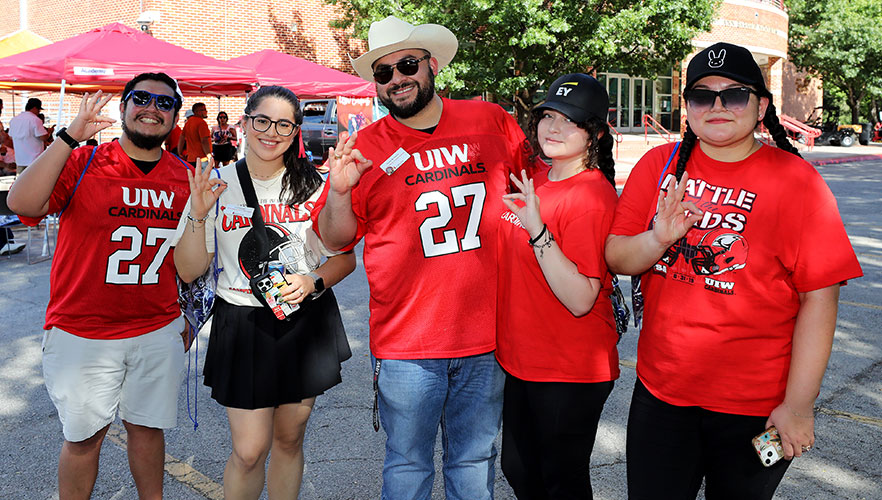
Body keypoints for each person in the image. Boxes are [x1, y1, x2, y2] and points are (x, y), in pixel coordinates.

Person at [604, 42, 863, 499]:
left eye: (735, 94)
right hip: (661, 397)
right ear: (688, 107)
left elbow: (819, 298)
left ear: (761, 106)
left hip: (756, 406)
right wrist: (658, 237)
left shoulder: (796, 181)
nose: (718, 105)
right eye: (702, 95)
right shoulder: (657, 167)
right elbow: (618, 258)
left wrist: (799, 407)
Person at [315, 15, 538, 500]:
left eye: (407, 65)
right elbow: (335, 241)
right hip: (407, 343)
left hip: (486, 335)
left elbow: (536, 197)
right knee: (408, 466)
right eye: (383, 72)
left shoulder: (491, 121)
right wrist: (339, 192)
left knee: (475, 462)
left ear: (431, 64)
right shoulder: (364, 148)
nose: (397, 79)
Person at [7, 72, 189, 500]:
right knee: (84, 439)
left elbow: (192, 260)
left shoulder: (184, 176)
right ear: (124, 107)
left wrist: (186, 315)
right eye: (141, 98)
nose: (152, 108)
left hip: (156, 328)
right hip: (82, 328)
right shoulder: (83, 160)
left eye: (164, 103)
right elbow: (21, 204)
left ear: (174, 118)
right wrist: (69, 137)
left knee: (148, 430)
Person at [173, 85, 354, 499]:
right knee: (250, 450)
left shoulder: (313, 186)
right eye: (262, 121)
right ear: (244, 122)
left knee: (289, 440)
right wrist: (199, 216)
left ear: (295, 132)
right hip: (242, 322)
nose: (271, 132)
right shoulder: (215, 184)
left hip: (304, 320)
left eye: (284, 124)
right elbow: (188, 269)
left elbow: (345, 259)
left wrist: (312, 282)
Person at [496, 73, 620, 499]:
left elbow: (582, 298)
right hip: (523, 359)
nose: (553, 127)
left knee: (559, 483)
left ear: (595, 134)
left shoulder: (591, 197)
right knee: (518, 469)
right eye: (548, 116)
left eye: (569, 121)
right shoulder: (538, 177)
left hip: (569, 366)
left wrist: (538, 231)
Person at [8, 97, 52, 174]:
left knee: (21, 184)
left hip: (20, 160)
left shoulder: (14, 120)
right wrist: (49, 132)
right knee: (35, 183)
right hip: (34, 160)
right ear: (34, 108)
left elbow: (10, 137)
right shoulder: (35, 119)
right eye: (39, 110)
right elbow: (43, 137)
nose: (39, 112)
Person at [179, 102, 211, 166]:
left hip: (190, 159)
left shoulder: (188, 123)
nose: (206, 111)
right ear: (197, 112)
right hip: (202, 158)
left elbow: (181, 138)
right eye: (204, 110)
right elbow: (204, 141)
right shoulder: (202, 123)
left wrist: (179, 152)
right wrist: (209, 155)